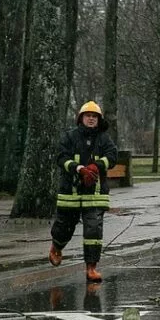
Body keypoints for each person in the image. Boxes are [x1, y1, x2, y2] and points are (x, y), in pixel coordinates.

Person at [48, 101, 117, 283]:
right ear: (81, 118)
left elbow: (112, 156)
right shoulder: (70, 137)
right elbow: (61, 157)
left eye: (95, 117)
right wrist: (78, 169)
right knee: (64, 227)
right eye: (88, 116)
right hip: (70, 191)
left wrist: (96, 166)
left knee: (93, 231)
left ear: (99, 119)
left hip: (95, 193)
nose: (91, 119)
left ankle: (91, 268)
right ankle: (57, 246)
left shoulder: (104, 139)